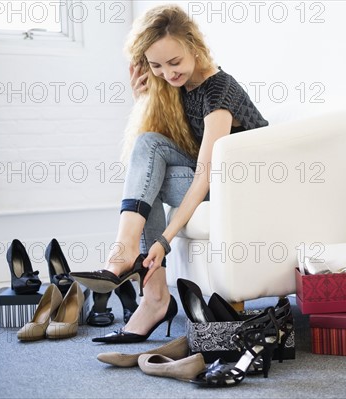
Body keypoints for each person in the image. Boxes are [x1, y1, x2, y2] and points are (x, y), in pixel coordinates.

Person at [71, 4, 268, 342]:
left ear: (194, 46)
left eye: (174, 62)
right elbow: (157, 148)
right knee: (147, 144)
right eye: (157, 65)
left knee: (152, 179)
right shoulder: (175, 87)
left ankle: (151, 291)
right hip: (210, 179)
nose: (167, 73)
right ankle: (138, 269)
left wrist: (164, 240)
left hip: (240, 186)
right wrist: (142, 97)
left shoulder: (218, 92)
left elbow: (206, 174)